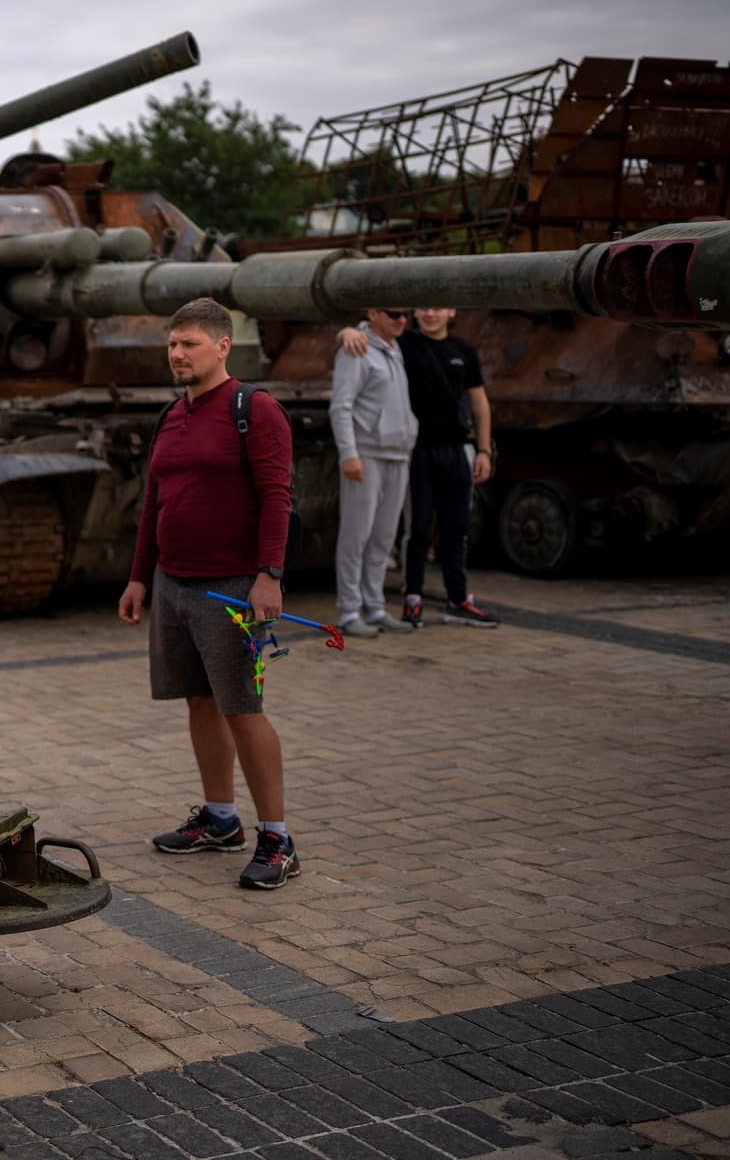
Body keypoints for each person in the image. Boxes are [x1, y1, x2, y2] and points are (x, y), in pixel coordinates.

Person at [119, 298, 300, 891]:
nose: (177, 354)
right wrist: (140, 576)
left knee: (242, 708)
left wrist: (268, 575)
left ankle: (277, 837)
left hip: (231, 590)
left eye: (189, 343)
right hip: (173, 585)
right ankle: (221, 820)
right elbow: (155, 503)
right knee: (199, 701)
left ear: (223, 346)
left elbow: (278, 495)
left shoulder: (256, 409)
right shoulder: (171, 417)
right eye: (172, 344)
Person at [338, 309, 498, 628]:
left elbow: (479, 401)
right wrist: (346, 331)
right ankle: (374, 606)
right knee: (402, 530)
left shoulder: (437, 349)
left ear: (452, 310)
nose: (427, 314)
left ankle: (437, 601)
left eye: (437, 306)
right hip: (404, 451)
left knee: (439, 529)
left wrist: (483, 449)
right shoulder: (396, 344)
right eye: (419, 307)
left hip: (427, 449)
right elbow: (342, 400)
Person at [329, 308, 418, 636]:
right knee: (356, 535)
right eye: (393, 313)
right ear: (374, 313)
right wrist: (349, 453)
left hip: (398, 454)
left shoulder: (395, 349)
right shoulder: (357, 348)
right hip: (367, 455)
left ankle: (375, 605)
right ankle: (349, 610)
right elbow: (342, 405)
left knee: (382, 537)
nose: (401, 320)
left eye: (405, 314)